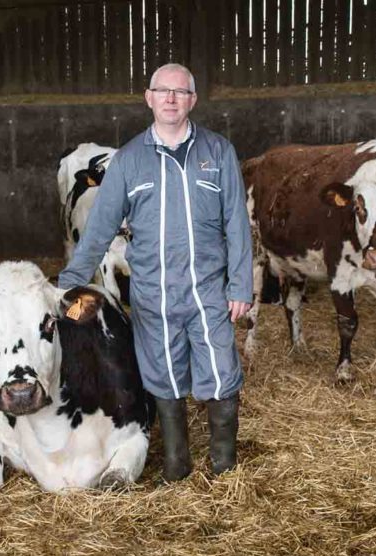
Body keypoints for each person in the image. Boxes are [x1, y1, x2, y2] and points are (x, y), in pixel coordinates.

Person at [59, 63, 253, 482]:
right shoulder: (129, 160)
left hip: (208, 291)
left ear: (192, 100)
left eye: (180, 92)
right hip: (153, 293)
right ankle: (176, 465)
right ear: (149, 98)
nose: (170, 98)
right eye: (162, 91)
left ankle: (225, 468)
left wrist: (240, 285)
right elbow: (98, 230)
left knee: (221, 374)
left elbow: (237, 223)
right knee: (162, 376)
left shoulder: (218, 152)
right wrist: (66, 286)